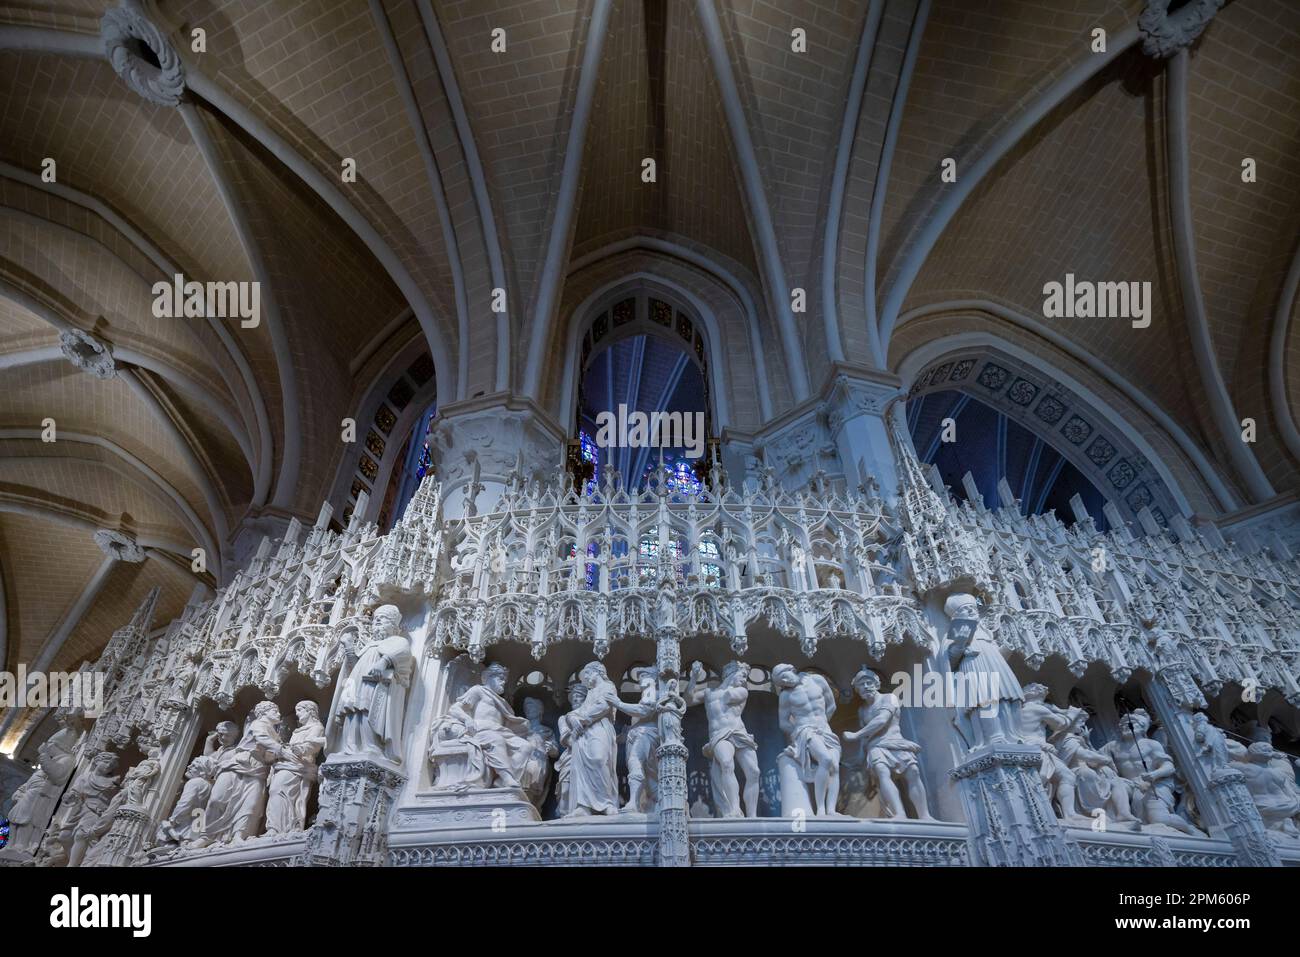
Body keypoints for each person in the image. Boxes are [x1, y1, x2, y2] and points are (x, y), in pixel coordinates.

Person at [685, 661, 759, 818]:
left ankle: (752, 815)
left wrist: (729, 686)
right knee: (726, 763)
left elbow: (728, 696)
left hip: (739, 732)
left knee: (754, 772)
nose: (744, 680)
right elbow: (688, 700)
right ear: (730, 674)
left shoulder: (742, 691)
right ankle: (734, 809)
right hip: (719, 734)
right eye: (742, 675)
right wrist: (694, 678)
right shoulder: (709, 693)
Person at [774, 664, 841, 816]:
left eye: (784, 676)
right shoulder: (786, 696)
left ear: (792, 670)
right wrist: (798, 732)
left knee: (835, 767)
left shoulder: (817, 680)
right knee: (825, 759)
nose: (784, 681)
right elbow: (783, 722)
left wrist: (822, 724)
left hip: (824, 729)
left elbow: (831, 705)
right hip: (805, 731)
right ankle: (821, 809)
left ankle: (831, 810)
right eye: (780, 681)